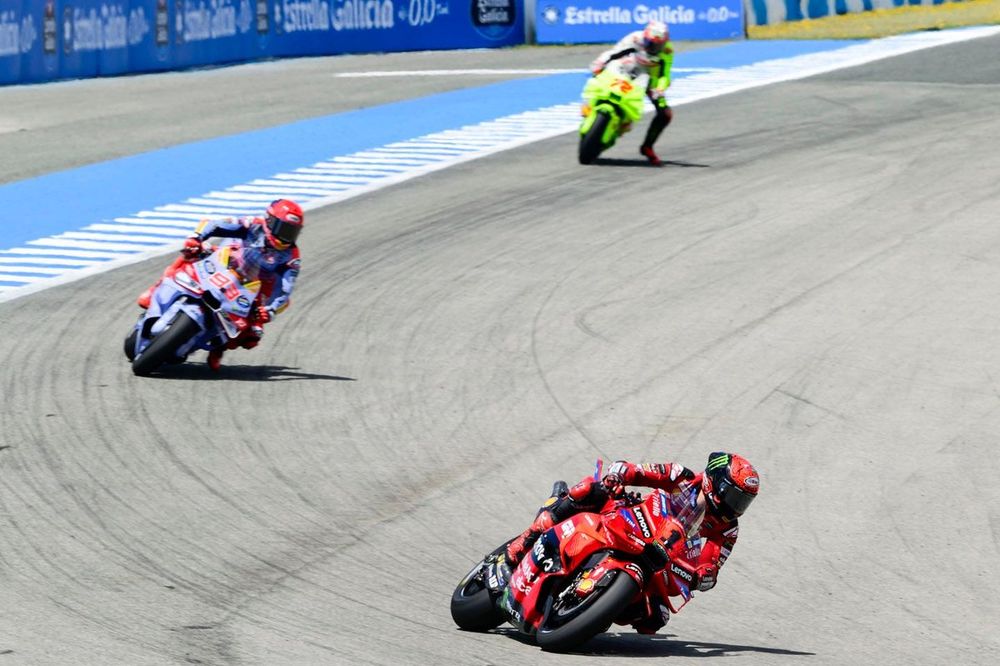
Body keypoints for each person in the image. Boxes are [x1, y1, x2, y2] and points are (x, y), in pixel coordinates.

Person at [496, 452, 759, 635]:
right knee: (588, 490)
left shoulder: (728, 530)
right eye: (734, 496)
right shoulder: (682, 477)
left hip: (661, 558)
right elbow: (639, 472)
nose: (737, 507)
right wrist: (620, 474)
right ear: (715, 482)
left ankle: (589, 610)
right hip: (631, 520)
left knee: (654, 619)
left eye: (743, 501)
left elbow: (711, 565)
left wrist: (704, 576)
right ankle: (522, 542)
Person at [136, 198, 304, 370]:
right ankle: (157, 288)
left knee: (251, 335)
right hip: (225, 261)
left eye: (292, 232)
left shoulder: (292, 257)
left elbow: (285, 290)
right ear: (270, 220)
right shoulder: (253, 225)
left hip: (254, 287)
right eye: (283, 229)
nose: (286, 237)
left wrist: (269, 311)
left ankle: (219, 347)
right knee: (192, 252)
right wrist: (197, 237)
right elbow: (215, 224)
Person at [589, 19, 674, 166]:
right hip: (627, 66)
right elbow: (614, 52)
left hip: (649, 78)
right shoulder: (635, 37)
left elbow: (665, 75)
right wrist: (600, 63)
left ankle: (647, 147)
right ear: (645, 37)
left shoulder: (667, 51)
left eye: (657, 45)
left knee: (666, 114)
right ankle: (589, 106)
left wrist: (660, 88)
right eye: (650, 43)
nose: (653, 47)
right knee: (597, 75)